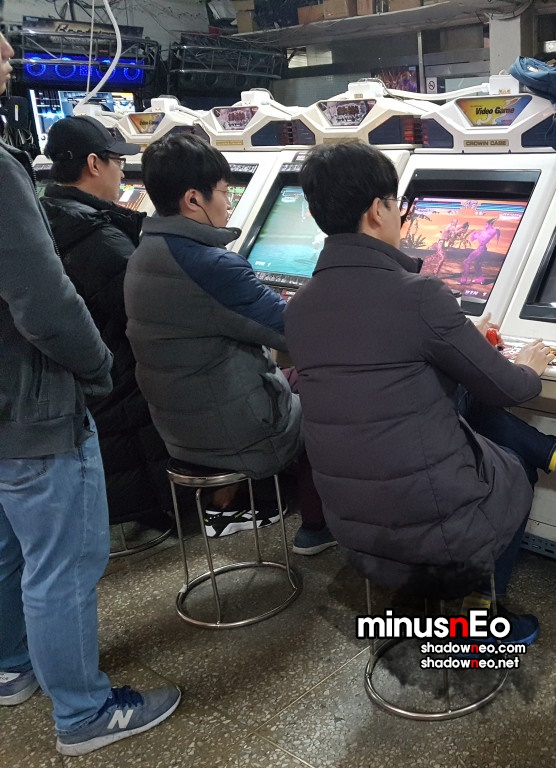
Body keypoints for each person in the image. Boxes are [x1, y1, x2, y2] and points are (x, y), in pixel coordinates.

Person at [287, 140, 556, 642]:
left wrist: (461, 336)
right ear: (377, 210)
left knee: (466, 408)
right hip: (429, 525)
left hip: (352, 528)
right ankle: (478, 621)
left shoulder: (298, 305)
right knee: (513, 466)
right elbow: (509, 387)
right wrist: (529, 364)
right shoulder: (419, 295)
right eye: (398, 204)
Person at [0, 30, 180, 755]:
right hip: (32, 401)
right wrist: (95, 368)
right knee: (63, 565)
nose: (7, 52)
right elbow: (44, 300)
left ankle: (11, 666)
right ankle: (83, 713)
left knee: (11, 550)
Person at [123, 134, 334, 554]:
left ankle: (236, 500)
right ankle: (318, 524)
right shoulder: (211, 265)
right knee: (328, 391)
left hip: (181, 427)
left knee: (294, 375)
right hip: (237, 433)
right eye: (223, 192)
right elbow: (295, 333)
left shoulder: (146, 251)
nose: (228, 203)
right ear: (192, 200)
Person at [39, 115, 173, 531]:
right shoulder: (96, 234)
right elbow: (148, 310)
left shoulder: (52, 215)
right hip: (122, 390)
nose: (123, 172)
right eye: (118, 162)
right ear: (94, 164)